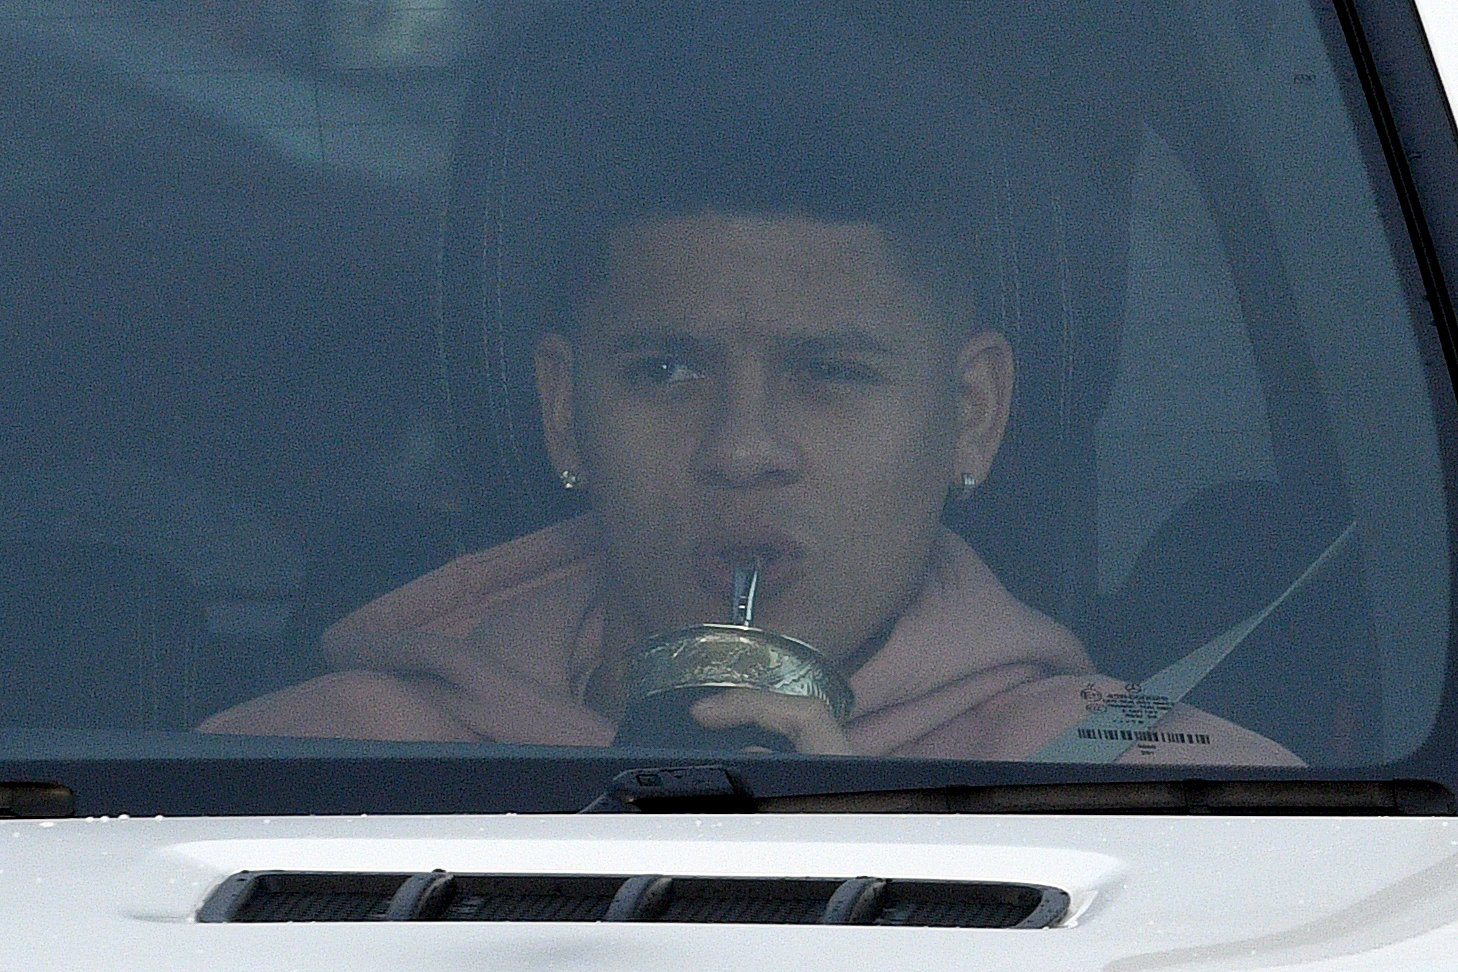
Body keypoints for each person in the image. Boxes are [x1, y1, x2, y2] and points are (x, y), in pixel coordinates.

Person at [200, 209, 1300, 765]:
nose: (741, 448)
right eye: (666, 371)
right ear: (561, 408)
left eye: (829, 375)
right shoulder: (330, 760)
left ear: (971, 412)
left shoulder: (1133, 772)